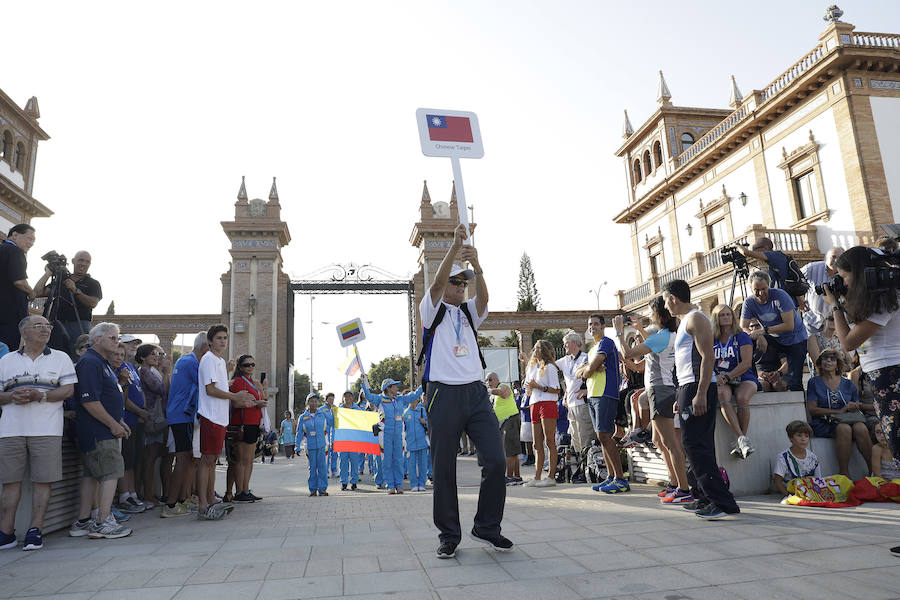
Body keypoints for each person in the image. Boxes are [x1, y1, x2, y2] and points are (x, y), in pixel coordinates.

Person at [419, 223, 511, 559]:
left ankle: (487, 527)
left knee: (496, 460)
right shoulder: (432, 311)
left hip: (474, 393)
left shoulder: (469, 314)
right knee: (443, 467)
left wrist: (479, 266)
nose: (461, 287)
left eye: (464, 282)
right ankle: (448, 534)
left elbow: (484, 298)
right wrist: (455, 247)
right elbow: (437, 282)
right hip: (443, 393)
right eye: (457, 282)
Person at [822, 246, 900, 555]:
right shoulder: (878, 300)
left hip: (892, 376)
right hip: (882, 377)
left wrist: (836, 308)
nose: (842, 282)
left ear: (860, 272)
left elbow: (850, 341)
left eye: (844, 276)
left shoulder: (888, 299)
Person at [663, 279, 740, 519]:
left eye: (666, 301)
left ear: (674, 299)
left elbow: (708, 358)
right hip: (687, 388)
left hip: (698, 387)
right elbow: (685, 362)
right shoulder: (685, 322)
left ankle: (721, 502)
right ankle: (704, 496)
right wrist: (681, 395)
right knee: (692, 443)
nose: (666, 307)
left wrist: (700, 393)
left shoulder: (696, 319)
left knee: (697, 445)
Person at [0, 315, 76, 550]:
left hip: (47, 430)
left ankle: (36, 529)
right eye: (38, 326)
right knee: (9, 482)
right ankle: (6, 531)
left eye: (48, 326)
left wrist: (40, 395)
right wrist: (12, 396)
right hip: (11, 429)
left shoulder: (61, 358)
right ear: (23, 332)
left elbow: (68, 391)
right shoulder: (6, 361)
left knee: (43, 481)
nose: (45, 330)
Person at [613, 298, 691, 504]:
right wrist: (640, 329)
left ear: (660, 315)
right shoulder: (670, 335)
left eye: (651, 312)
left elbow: (628, 353)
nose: (650, 315)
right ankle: (675, 483)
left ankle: (683, 488)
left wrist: (620, 332)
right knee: (658, 440)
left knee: (670, 443)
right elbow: (655, 345)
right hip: (666, 389)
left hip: (661, 391)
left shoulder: (662, 337)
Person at [68, 322, 133, 539]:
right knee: (111, 472)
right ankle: (103, 522)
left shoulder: (101, 363)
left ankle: (83, 521)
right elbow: (90, 401)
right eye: (113, 338)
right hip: (98, 432)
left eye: (118, 337)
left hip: (101, 429)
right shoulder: (90, 363)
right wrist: (113, 425)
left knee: (91, 475)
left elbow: (106, 397)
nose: (117, 342)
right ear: (97, 339)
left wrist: (119, 421)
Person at [196, 324, 253, 521]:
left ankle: (211, 498)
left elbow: (219, 387)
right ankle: (203, 503)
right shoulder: (209, 359)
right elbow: (210, 390)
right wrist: (234, 396)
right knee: (207, 460)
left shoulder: (219, 361)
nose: (222, 341)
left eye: (225, 338)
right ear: (210, 341)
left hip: (220, 417)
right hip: (210, 415)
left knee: (212, 460)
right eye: (219, 338)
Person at [576, 314, 626, 493]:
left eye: (596, 324)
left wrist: (590, 368)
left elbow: (587, 371)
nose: (592, 327)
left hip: (606, 393)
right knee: (601, 437)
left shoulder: (606, 343)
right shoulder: (592, 348)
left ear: (603, 326)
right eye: (590, 324)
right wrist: (591, 367)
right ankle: (611, 477)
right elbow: (578, 372)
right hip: (593, 394)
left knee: (605, 435)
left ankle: (620, 479)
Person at [161, 332, 207, 518]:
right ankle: (171, 504)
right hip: (181, 415)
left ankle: (181, 500)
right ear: (205, 347)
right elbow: (208, 384)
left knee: (187, 459)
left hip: (183, 415)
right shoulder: (191, 362)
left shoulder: (187, 360)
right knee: (182, 459)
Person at [806, 349, 873, 478]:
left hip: (848, 418)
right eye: (825, 358)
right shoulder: (814, 382)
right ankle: (844, 473)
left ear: (838, 364)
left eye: (832, 359)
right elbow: (812, 409)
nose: (828, 361)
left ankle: (873, 470)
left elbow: (856, 404)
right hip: (824, 421)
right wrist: (838, 411)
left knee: (860, 427)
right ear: (820, 362)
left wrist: (853, 406)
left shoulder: (848, 383)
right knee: (844, 429)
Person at [740, 271, 808, 391]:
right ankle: (751, 377)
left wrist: (763, 331)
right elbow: (743, 327)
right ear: (751, 288)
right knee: (747, 339)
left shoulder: (780, 295)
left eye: (764, 289)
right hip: (774, 337)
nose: (760, 293)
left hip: (796, 338)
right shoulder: (749, 302)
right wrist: (758, 336)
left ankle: (800, 403)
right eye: (756, 290)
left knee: (794, 381)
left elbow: (789, 325)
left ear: (769, 286)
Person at [360, 376, 423, 494]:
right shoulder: (379, 399)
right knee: (387, 460)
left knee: (399, 460)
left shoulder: (400, 399)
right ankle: (390, 485)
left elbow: (414, 396)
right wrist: (364, 383)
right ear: (388, 388)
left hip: (398, 434)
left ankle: (399, 485)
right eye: (394, 385)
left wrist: (423, 384)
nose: (397, 387)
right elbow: (368, 396)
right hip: (385, 435)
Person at [711, 303, 758, 459]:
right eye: (722, 315)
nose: (726, 317)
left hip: (743, 376)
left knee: (742, 398)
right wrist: (715, 376)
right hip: (721, 379)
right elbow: (706, 361)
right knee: (722, 395)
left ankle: (741, 440)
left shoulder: (742, 336)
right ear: (716, 318)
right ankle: (742, 440)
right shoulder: (712, 339)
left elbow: (746, 363)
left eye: (728, 314)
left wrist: (728, 376)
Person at [34, 250, 102, 355]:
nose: (83, 264)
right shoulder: (62, 280)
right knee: (54, 354)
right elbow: (37, 292)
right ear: (73, 261)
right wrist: (48, 274)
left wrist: (75, 291)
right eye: (81, 260)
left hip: (79, 325)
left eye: (87, 262)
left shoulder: (93, 283)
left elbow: (93, 303)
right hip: (58, 323)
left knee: (77, 355)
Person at [114, 335, 148, 515]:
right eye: (130, 343)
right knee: (125, 460)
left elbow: (138, 390)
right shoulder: (118, 366)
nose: (133, 346)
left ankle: (133, 493)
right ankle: (124, 495)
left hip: (136, 420)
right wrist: (140, 411)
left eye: (135, 344)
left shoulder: (131, 366)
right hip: (127, 418)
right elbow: (123, 397)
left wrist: (142, 410)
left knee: (133, 459)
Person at [228, 354, 268, 502]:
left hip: (254, 423)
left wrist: (262, 388)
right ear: (240, 367)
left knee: (249, 460)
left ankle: (246, 489)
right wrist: (255, 404)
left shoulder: (253, 382)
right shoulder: (237, 382)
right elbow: (235, 403)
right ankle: (239, 492)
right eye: (246, 365)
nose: (250, 367)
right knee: (241, 460)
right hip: (242, 423)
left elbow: (264, 398)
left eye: (252, 365)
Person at [522, 340, 560, 487]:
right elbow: (529, 386)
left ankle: (551, 477)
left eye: (537, 347)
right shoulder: (532, 367)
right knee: (536, 444)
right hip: (534, 403)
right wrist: (529, 389)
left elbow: (556, 389)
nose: (534, 350)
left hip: (547, 403)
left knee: (550, 441)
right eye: (535, 347)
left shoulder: (550, 367)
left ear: (544, 350)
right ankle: (536, 477)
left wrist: (538, 386)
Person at [136, 344, 169, 508]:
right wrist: (165, 372)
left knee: (152, 456)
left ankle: (149, 493)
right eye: (153, 354)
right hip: (152, 418)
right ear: (143, 357)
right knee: (150, 457)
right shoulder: (144, 371)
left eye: (157, 354)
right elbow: (161, 389)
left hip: (157, 417)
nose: (157, 356)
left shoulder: (149, 371)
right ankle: (148, 495)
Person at [555, 330, 592, 456]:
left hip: (582, 403)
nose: (564, 346)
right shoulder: (564, 360)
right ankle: (580, 469)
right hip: (570, 404)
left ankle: (588, 466)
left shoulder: (586, 357)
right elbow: (548, 366)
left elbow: (596, 377)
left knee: (585, 436)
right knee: (575, 437)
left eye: (566, 343)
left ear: (574, 343)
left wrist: (588, 391)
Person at [0, 224, 36, 351]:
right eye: (29, 239)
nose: (31, 243)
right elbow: (19, 281)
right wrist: (31, 292)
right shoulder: (15, 251)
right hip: (10, 316)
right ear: (15, 235)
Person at [485, 372, 520, 485]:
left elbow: (503, 394)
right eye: (486, 380)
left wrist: (489, 391)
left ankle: (509, 477)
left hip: (510, 420)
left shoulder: (503, 386)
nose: (488, 383)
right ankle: (516, 476)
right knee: (512, 452)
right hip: (505, 423)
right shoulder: (494, 394)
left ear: (496, 379)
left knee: (509, 451)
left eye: (490, 379)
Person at [773, 420, 821, 498]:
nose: (803, 439)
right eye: (799, 435)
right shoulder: (783, 457)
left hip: (810, 493)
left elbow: (818, 480)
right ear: (790, 437)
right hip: (792, 493)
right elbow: (777, 481)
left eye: (806, 436)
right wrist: (789, 496)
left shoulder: (813, 458)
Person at [801, 247, 844, 333]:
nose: (836, 260)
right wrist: (799, 300)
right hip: (812, 320)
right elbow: (793, 280)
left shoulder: (846, 273)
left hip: (835, 323)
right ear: (826, 258)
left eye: (840, 258)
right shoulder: (811, 269)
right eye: (833, 257)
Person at [296, 392, 329, 496]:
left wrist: (332, 410)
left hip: (322, 445)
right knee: (312, 468)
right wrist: (297, 446)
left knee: (322, 467)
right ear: (307, 403)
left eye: (315, 401)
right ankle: (313, 490)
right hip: (309, 447)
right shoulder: (303, 417)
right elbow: (299, 432)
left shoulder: (322, 414)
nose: (314, 403)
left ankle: (322, 489)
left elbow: (332, 422)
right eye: (311, 401)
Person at [403, 396, 429, 491]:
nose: (413, 401)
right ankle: (414, 484)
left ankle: (422, 484)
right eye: (411, 399)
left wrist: (424, 422)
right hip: (410, 444)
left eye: (415, 399)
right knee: (411, 465)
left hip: (422, 442)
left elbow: (430, 424)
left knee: (423, 465)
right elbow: (402, 428)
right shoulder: (405, 413)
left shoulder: (422, 411)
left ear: (418, 400)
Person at [336, 392, 361, 490]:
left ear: (353, 398)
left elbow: (362, 422)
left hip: (354, 440)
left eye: (350, 396)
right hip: (342, 440)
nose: (348, 398)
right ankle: (344, 482)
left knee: (355, 462)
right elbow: (335, 424)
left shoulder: (358, 409)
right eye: (346, 396)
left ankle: (354, 482)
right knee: (343, 463)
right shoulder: (339, 410)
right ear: (343, 398)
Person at [323, 392, 339, 478]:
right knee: (326, 453)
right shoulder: (321, 409)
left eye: (333, 399)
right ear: (326, 400)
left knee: (334, 453)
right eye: (330, 399)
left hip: (334, 433)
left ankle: (334, 470)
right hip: (325, 433)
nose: (331, 400)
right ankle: (326, 471)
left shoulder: (335, 409)